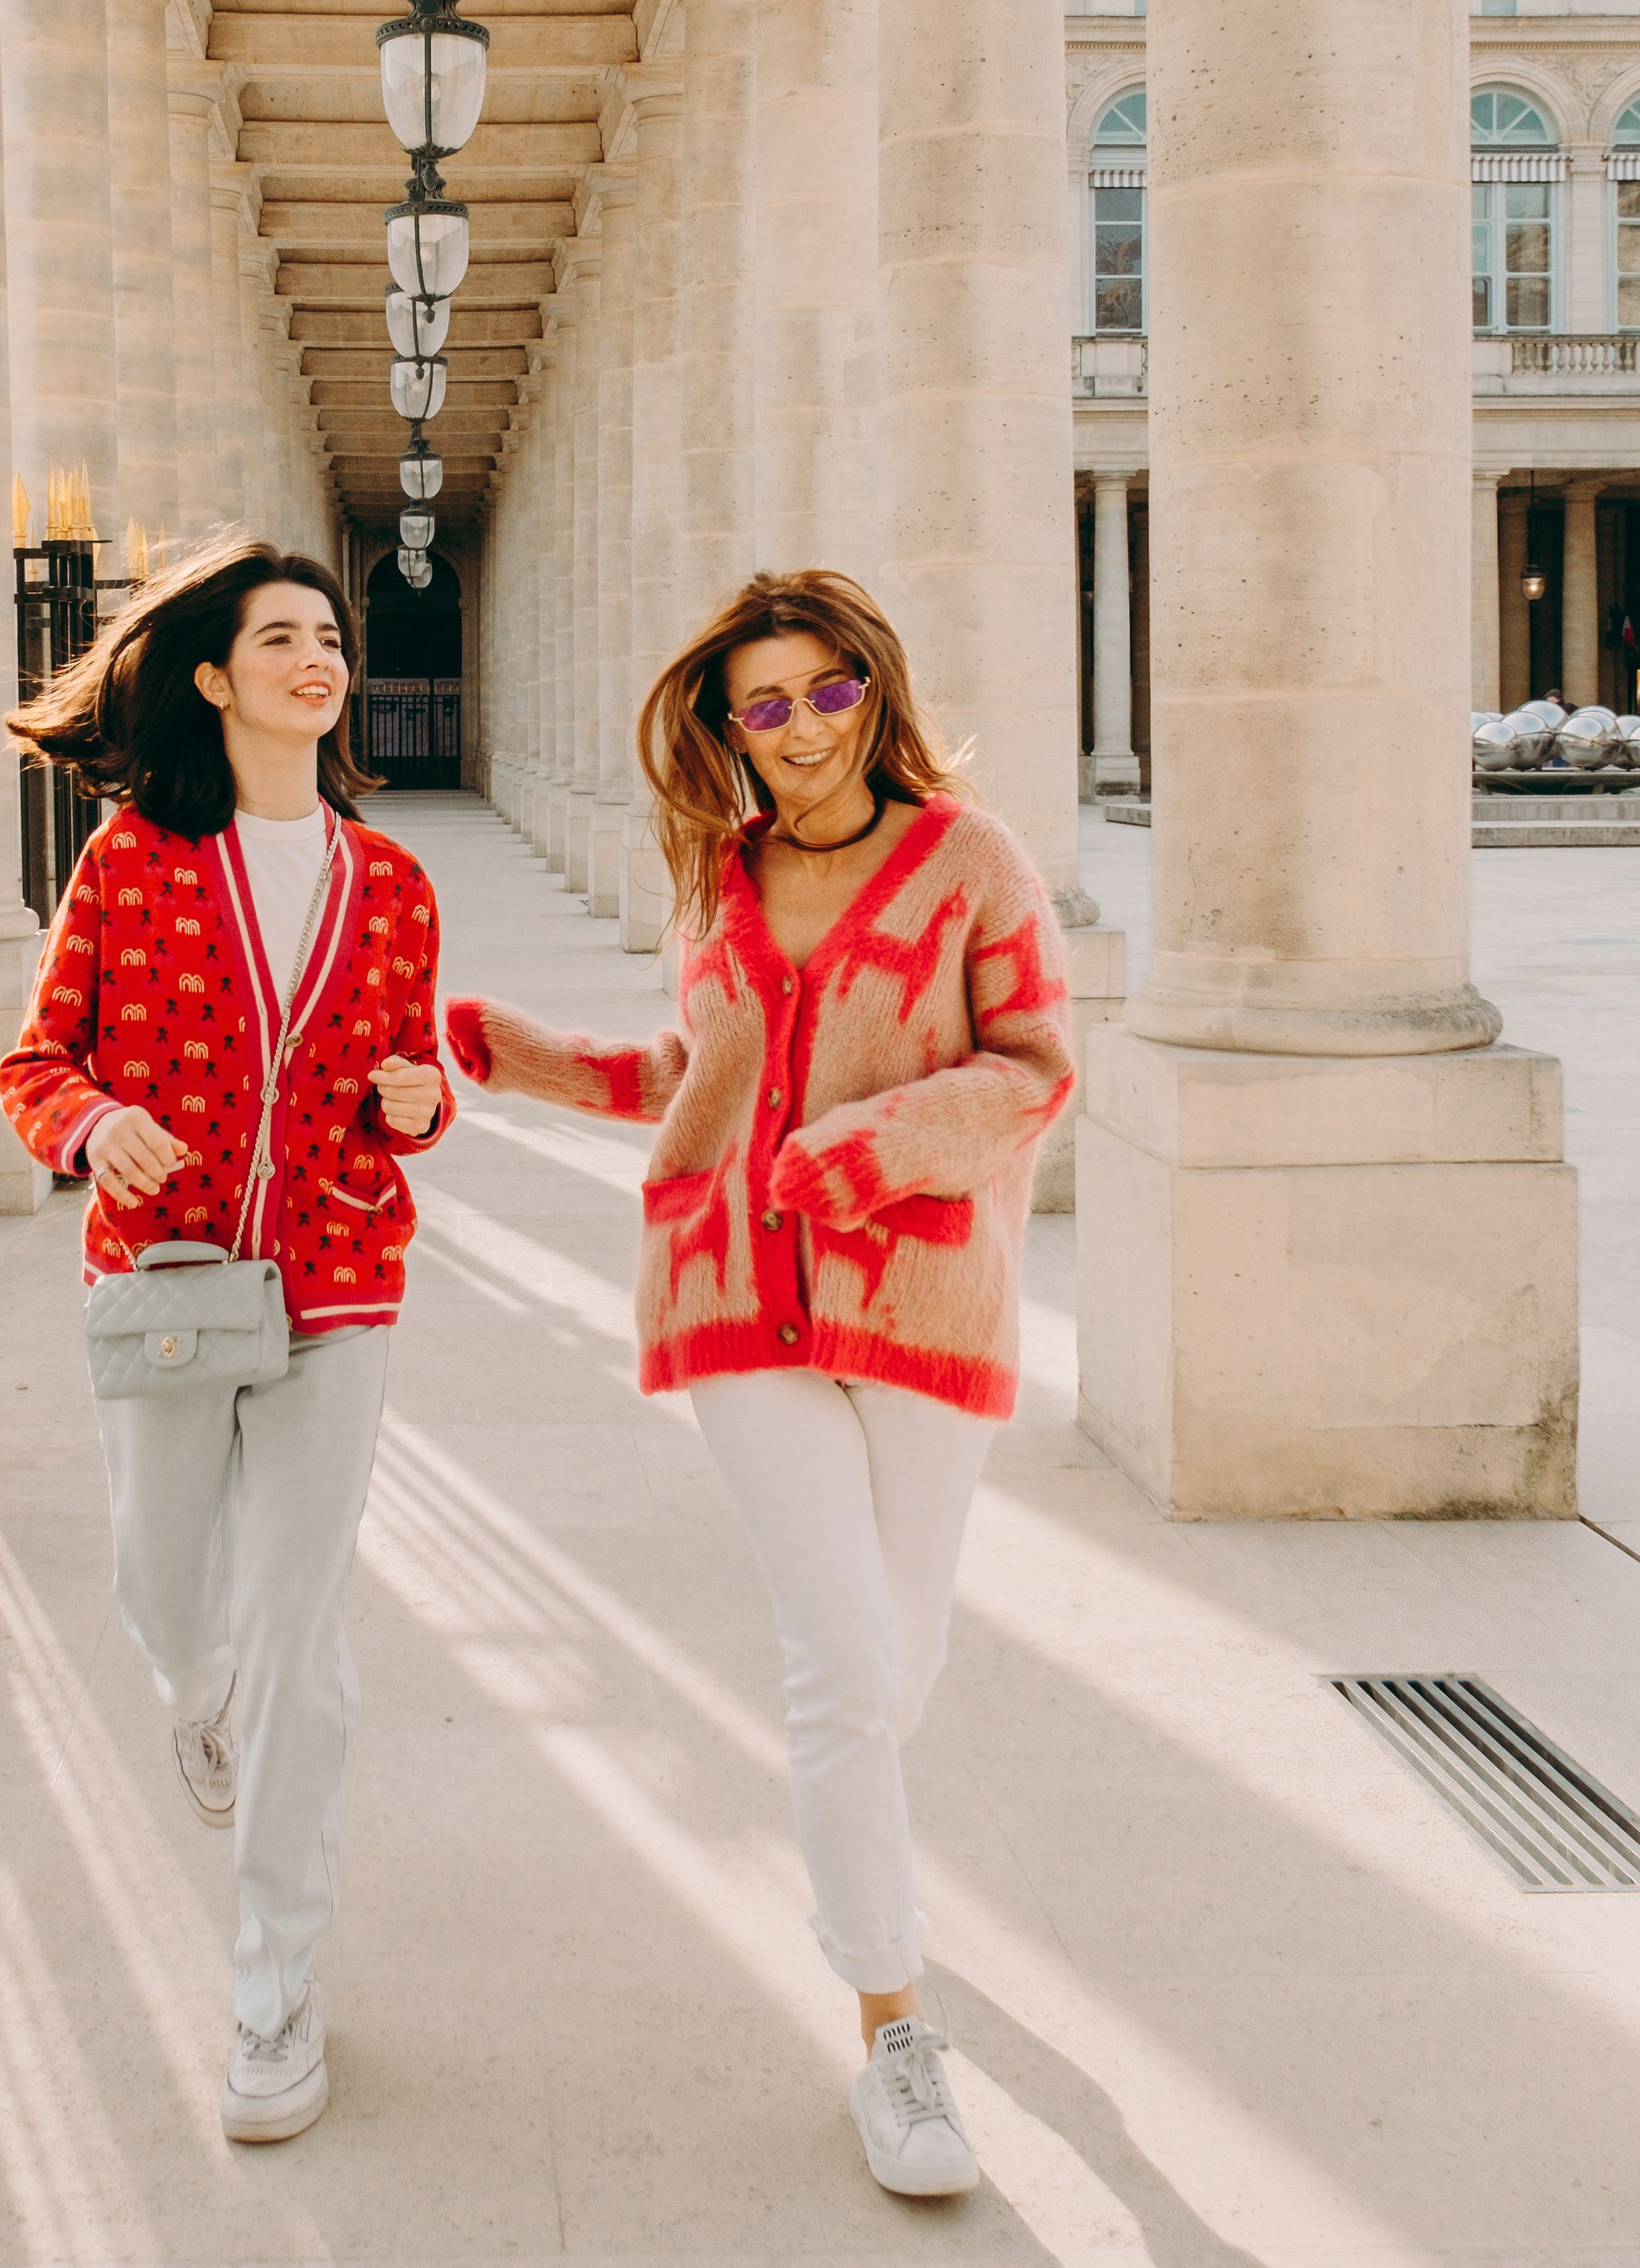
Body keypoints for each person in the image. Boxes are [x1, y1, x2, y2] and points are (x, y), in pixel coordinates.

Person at [443, 570, 1072, 2202]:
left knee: (892, 1662)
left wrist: (866, 1154)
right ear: (726, 727)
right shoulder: (716, 876)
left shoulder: (970, 863)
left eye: (827, 689)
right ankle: (893, 2025)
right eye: (763, 704)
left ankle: (851, 1854)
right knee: (840, 1661)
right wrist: (529, 1060)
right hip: (730, 1295)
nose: (800, 728)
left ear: (875, 686)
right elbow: (699, 1070)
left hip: (922, 1290)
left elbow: (1033, 1067)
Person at [0, 541, 449, 2146]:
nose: (318, 659)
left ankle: (274, 1985)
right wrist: (96, 1119)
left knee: (301, 1649)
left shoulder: (390, 882)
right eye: (281, 639)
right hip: (171, 1278)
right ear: (214, 676)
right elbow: (37, 1060)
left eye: (329, 637)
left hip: (338, 1284)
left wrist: (424, 1101)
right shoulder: (128, 862)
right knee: (166, 1589)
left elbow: (417, 1077)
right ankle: (201, 1693)